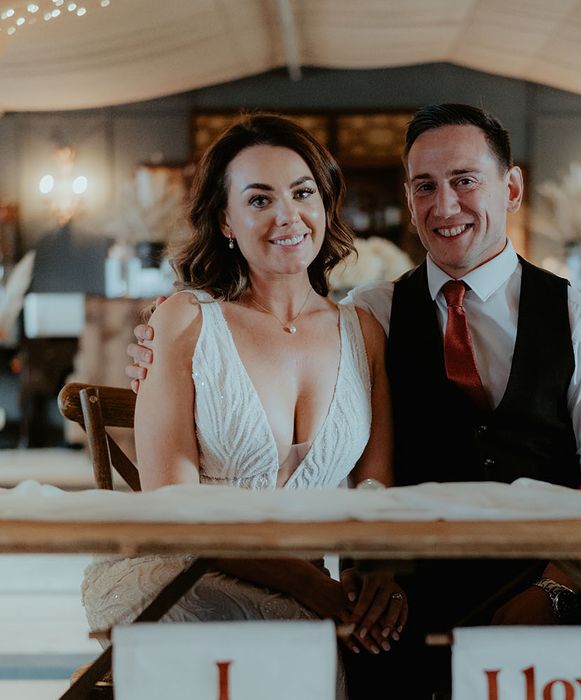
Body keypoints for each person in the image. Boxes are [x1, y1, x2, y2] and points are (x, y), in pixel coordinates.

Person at [128, 104, 581, 699]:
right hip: (419, 592)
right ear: (408, 199)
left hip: (562, 576)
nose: (445, 206)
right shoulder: (369, 314)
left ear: (511, 188)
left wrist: (551, 592)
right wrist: (163, 361)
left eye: (465, 181)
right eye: (425, 186)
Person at [85, 114, 407, 698]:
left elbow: (375, 494)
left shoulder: (365, 332)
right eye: (259, 199)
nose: (288, 215)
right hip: (193, 580)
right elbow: (171, 503)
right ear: (226, 220)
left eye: (302, 192)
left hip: (316, 601)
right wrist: (310, 586)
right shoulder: (185, 320)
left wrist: (375, 576)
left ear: (326, 206)